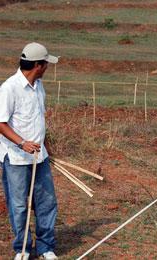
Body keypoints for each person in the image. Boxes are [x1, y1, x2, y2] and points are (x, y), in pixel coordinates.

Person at [0, 42, 59, 260]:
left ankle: (45, 247)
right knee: (18, 206)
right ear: (38, 65)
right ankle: (22, 249)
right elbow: (1, 122)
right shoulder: (9, 88)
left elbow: (38, 120)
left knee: (46, 202)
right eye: (46, 63)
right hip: (16, 158)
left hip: (39, 157)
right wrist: (22, 143)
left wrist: (46, 147)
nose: (47, 67)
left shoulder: (39, 85)